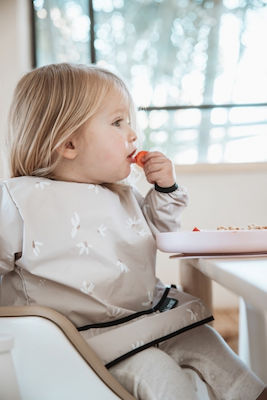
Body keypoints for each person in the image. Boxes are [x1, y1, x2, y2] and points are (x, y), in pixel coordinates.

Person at [0, 63, 266, 400]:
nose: (133, 134)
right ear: (68, 144)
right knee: (159, 374)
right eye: (117, 122)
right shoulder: (18, 200)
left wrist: (165, 190)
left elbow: (164, 235)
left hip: (152, 319)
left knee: (215, 350)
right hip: (85, 342)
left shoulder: (122, 192)